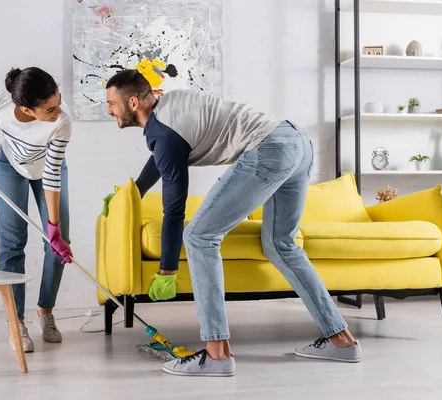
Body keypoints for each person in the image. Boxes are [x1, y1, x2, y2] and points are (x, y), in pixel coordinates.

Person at [104, 69, 362, 377]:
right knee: (281, 245)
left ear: (133, 103)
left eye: (111, 103)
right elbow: (163, 156)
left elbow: (174, 210)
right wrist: (135, 190)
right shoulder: (168, 108)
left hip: (268, 148)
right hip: (296, 142)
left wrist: (167, 270)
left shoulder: (164, 133)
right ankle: (342, 341)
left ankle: (216, 354)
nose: (108, 110)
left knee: (199, 236)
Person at [0, 67, 73, 353]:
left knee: (58, 245)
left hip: (47, 170)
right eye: (49, 108)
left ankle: (46, 312)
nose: (59, 110)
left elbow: (53, 174)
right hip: (10, 166)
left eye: (58, 100)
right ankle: (16, 319)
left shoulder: (62, 122)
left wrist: (54, 229)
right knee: (11, 243)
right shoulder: (1, 104)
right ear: (27, 110)